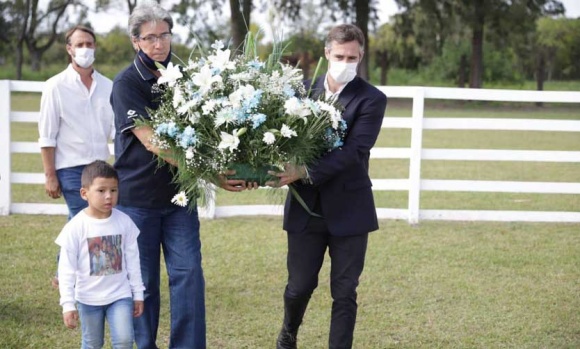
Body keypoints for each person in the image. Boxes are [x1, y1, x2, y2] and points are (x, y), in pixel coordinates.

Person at [110, 2, 250, 348]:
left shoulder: (186, 78)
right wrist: (212, 174)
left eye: (164, 36)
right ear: (135, 42)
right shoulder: (127, 83)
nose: (159, 44)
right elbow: (153, 141)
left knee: (188, 275)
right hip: (137, 199)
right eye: (150, 38)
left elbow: (206, 128)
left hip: (179, 198)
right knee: (143, 283)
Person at [268, 24, 388, 349]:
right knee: (299, 286)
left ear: (361, 56)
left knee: (345, 291)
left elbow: (354, 152)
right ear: (326, 54)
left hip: (350, 209)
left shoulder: (372, 99)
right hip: (306, 210)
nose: (346, 62)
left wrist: (303, 170)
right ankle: (288, 333)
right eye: (340, 56)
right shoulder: (300, 93)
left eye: (352, 57)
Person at [38, 25, 115, 288]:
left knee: (83, 220)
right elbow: (47, 137)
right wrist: (50, 175)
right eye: (79, 44)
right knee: (86, 216)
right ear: (69, 49)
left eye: (89, 44)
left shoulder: (108, 86)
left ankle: (68, 274)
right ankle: (94, 272)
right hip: (71, 169)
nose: (85, 49)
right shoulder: (55, 87)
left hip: (101, 168)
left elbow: (116, 131)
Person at [55, 160, 145, 349]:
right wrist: (68, 304)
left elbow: (133, 262)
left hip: (120, 295)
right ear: (84, 193)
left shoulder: (125, 222)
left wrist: (138, 294)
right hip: (88, 299)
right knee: (92, 343)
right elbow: (66, 270)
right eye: (101, 190)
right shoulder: (75, 227)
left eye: (113, 190)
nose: (108, 196)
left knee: (124, 341)